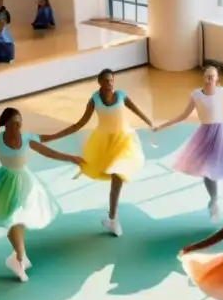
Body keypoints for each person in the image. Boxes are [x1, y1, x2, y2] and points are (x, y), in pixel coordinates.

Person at [0, 107, 85, 280]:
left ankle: (18, 256)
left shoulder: (27, 139)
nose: (18, 127)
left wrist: (71, 158)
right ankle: (19, 257)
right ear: (5, 124)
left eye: (20, 123)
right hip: (6, 181)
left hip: (25, 182)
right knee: (12, 219)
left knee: (17, 218)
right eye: (14, 124)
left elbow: (49, 152)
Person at [42, 69, 152, 237]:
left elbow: (136, 110)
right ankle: (112, 219)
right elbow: (79, 124)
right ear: (99, 83)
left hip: (123, 141)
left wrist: (150, 123)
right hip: (103, 143)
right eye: (105, 81)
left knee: (118, 175)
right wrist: (53, 136)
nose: (109, 84)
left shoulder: (121, 96)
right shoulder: (94, 100)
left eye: (111, 81)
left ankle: (113, 219)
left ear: (114, 81)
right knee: (113, 175)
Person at [153, 65, 223, 220]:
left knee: (215, 168)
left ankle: (214, 200)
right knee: (207, 170)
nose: (209, 79)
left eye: (212, 76)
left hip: (221, 135)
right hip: (204, 135)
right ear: (203, 77)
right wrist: (162, 126)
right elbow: (183, 115)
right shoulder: (196, 95)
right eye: (207, 76)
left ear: (217, 78)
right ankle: (214, 200)